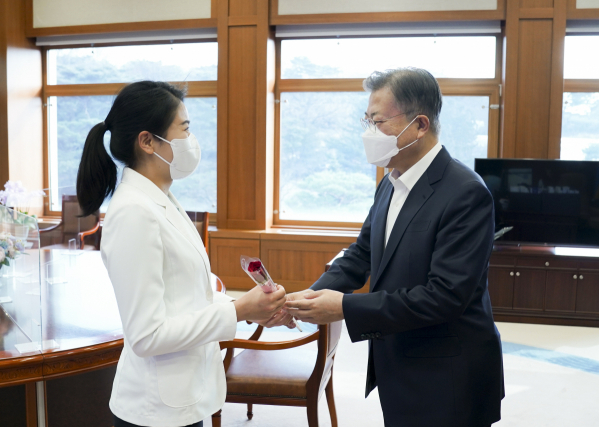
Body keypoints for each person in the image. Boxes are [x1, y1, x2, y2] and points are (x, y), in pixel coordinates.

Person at [285, 68, 504, 427]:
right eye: (367, 121)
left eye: (378, 122)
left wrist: (344, 306)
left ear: (419, 124)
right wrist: (306, 298)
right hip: (398, 360)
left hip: (448, 373)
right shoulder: (390, 181)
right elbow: (362, 254)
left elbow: (445, 297)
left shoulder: (465, 192)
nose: (369, 133)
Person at [76, 81, 288, 427]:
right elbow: (147, 335)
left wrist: (251, 310)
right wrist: (239, 310)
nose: (192, 141)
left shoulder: (160, 199)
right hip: (153, 409)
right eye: (185, 129)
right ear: (147, 141)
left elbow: (187, 300)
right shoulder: (133, 213)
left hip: (180, 398)